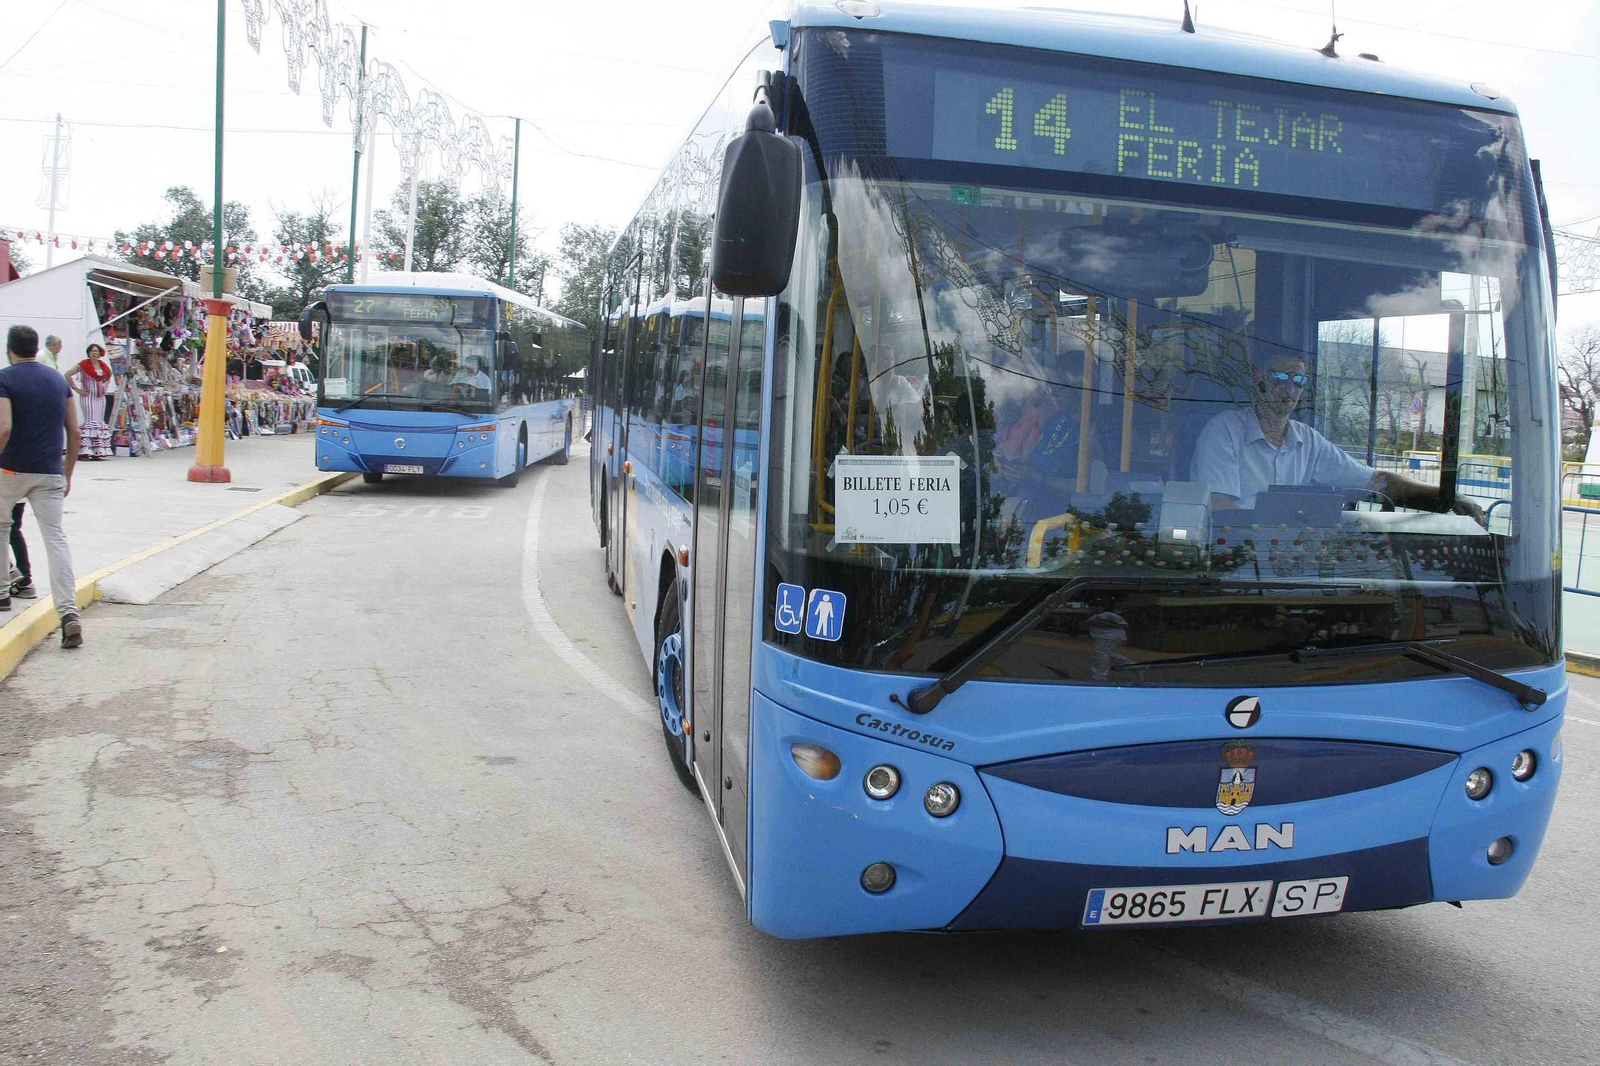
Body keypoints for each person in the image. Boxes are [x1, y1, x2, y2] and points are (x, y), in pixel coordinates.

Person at [1191, 346, 1484, 522]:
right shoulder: (1225, 430)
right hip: (1233, 556)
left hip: (1288, 554)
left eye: (1299, 381)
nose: (1289, 389)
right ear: (1258, 379)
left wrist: (1446, 496)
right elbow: (1219, 509)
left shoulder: (1308, 441)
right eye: (1280, 377)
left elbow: (1374, 481)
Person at [0, 324, 83, 646]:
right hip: (50, 473)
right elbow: (74, 432)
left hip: (10, 470)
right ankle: (68, 613)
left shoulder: (4, 379)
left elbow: (4, 427)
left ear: (9, 349)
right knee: (55, 539)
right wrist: (68, 473)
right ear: (37, 348)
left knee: (2, 528)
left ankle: (3, 593)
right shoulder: (58, 380)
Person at [65, 343, 114, 460]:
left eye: (96, 351)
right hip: (88, 397)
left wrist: (104, 387)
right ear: (88, 353)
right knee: (90, 421)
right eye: (92, 351)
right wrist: (76, 389)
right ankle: (85, 450)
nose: (94, 354)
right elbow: (67, 374)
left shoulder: (103, 366)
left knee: (99, 422)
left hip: (100, 397)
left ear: (100, 353)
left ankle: (97, 451)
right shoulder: (83, 365)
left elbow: (109, 375)